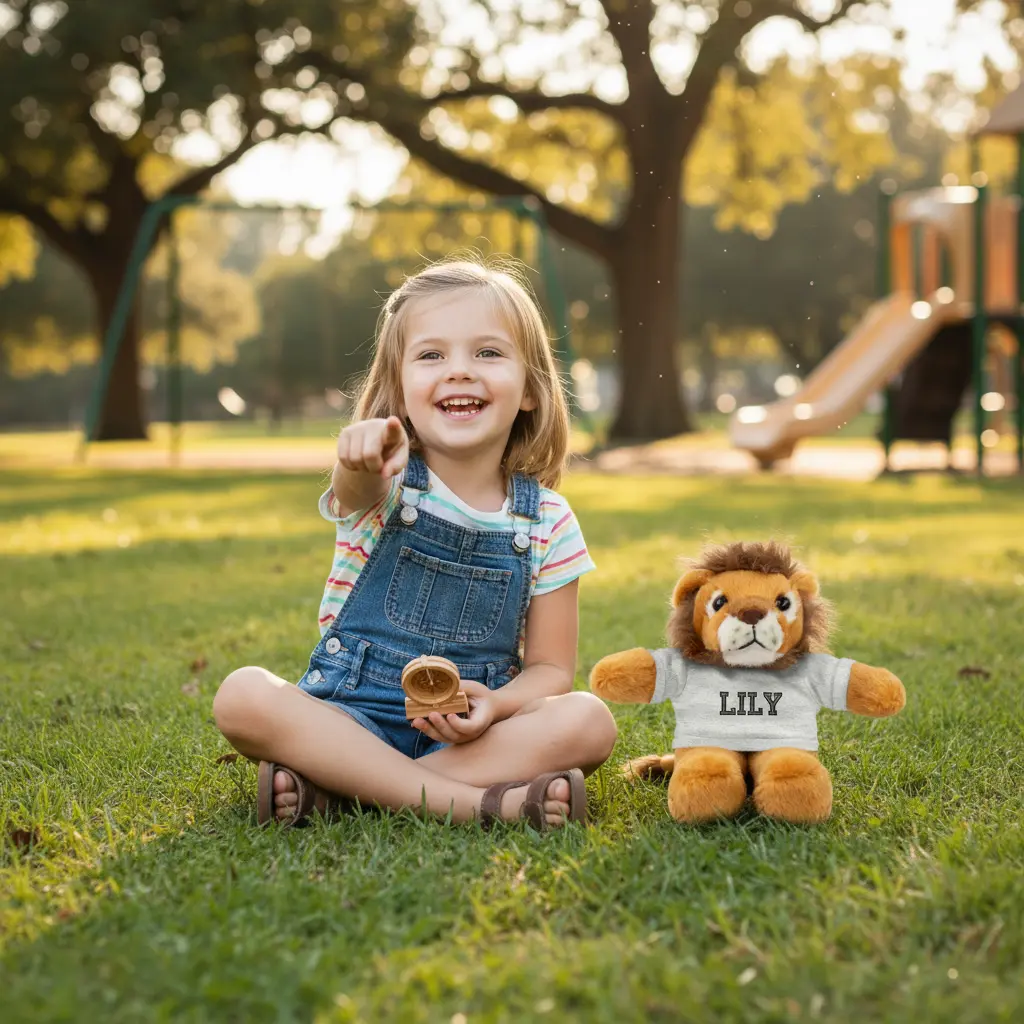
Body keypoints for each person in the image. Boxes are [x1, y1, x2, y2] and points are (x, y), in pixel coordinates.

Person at [213, 258, 617, 830]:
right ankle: (478, 806)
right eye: (431, 355)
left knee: (590, 722)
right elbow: (354, 487)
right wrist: (359, 456)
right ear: (398, 391)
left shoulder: (548, 519)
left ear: (530, 389)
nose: (459, 372)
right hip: (352, 718)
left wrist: (496, 706)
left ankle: (341, 786)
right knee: (241, 694)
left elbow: (551, 669)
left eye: (488, 353)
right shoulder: (386, 482)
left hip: (470, 734)